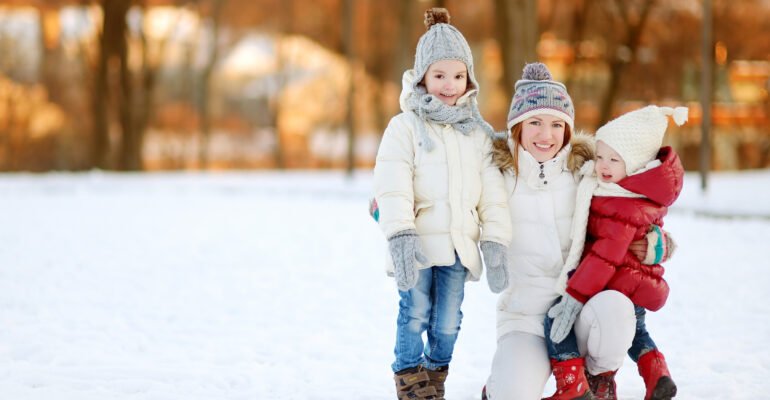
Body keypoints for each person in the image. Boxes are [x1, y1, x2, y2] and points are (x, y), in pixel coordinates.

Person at [481, 63, 674, 400]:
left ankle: (596, 378)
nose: (546, 135)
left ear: (568, 129)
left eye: (557, 124)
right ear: (517, 126)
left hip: (580, 310)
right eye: (535, 123)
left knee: (618, 308)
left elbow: (634, 208)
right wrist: (397, 206)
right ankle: (498, 386)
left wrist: (657, 243)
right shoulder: (494, 176)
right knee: (514, 393)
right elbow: (449, 197)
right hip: (525, 319)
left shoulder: (588, 173)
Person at [372, 8, 512, 400]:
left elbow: (493, 194)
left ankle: (435, 374)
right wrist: (400, 234)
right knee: (414, 313)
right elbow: (392, 183)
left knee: (448, 321)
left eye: (457, 75)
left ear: (469, 78)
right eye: (439, 75)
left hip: (457, 246)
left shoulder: (478, 135)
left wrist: (496, 241)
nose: (449, 85)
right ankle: (409, 377)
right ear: (422, 77)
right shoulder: (405, 127)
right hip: (417, 244)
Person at [544, 105, 686, 400]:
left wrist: (573, 297)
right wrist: (659, 245)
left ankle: (572, 384)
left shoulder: (620, 201)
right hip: (633, 281)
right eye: (599, 156)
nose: (602, 166)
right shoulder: (635, 191)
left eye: (613, 159)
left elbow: (604, 256)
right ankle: (656, 372)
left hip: (615, 281)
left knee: (555, 322)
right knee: (637, 333)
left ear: (633, 164)